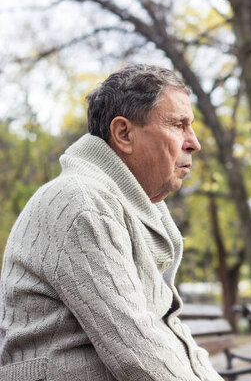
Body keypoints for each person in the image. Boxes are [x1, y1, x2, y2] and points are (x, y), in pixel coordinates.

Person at [0, 64, 223, 381]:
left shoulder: (123, 206)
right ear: (123, 134)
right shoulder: (81, 204)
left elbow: (165, 334)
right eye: (178, 125)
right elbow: (139, 353)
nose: (194, 142)